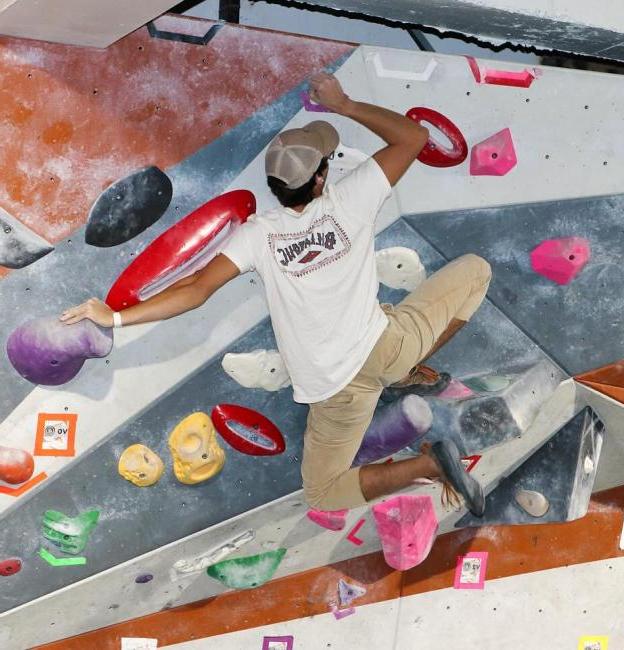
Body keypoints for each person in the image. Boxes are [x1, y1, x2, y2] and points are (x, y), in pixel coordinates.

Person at [61, 72, 491, 516]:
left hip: (333, 387)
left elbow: (195, 290)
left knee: (324, 492)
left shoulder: (257, 236)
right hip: (388, 346)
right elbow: (413, 137)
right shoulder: (349, 200)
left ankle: (429, 464)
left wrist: (113, 317)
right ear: (322, 178)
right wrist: (343, 103)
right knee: (476, 271)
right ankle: (409, 368)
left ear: (275, 186)